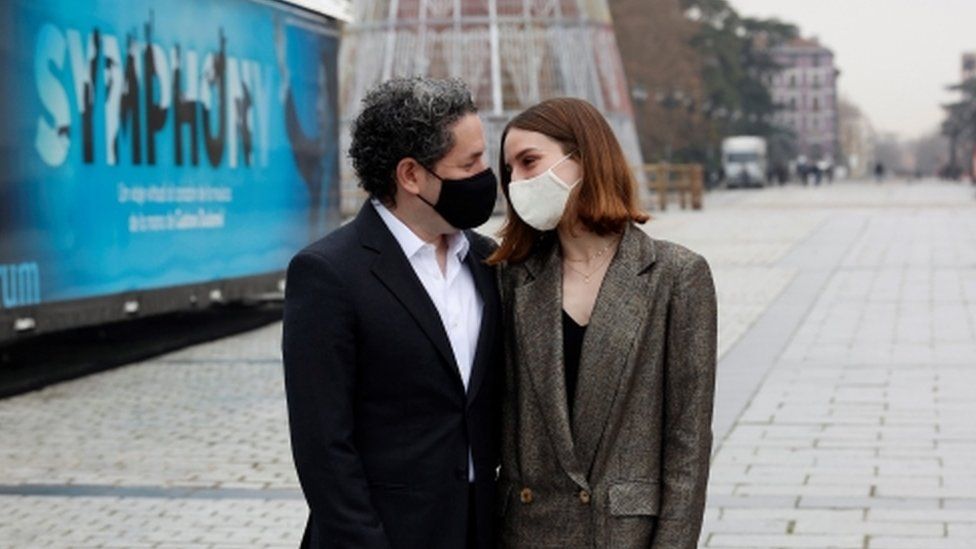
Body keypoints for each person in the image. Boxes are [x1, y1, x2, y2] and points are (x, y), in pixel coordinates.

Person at [282, 77, 502, 549]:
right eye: (470, 162)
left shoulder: (488, 262)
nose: (488, 173)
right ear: (411, 175)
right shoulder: (328, 274)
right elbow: (323, 446)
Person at [488, 97, 716, 548]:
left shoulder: (675, 275)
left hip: (623, 534)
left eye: (530, 161)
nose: (517, 181)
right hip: (526, 532)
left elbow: (687, 441)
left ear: (585, 159)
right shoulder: (510, 276)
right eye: (509, 170)